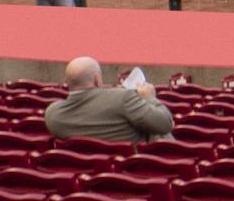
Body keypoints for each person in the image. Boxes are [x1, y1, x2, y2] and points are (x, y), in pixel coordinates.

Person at [44, 58, 173, 143]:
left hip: (82, 178)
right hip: (128, 175)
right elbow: (165, 123)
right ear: (97, 80)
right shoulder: (123, 98)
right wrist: (150, 97)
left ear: (66, 82)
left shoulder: (53, 115)